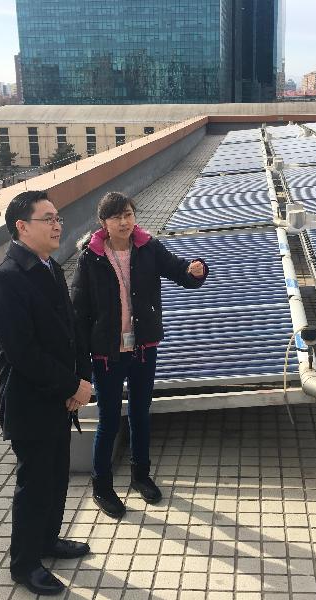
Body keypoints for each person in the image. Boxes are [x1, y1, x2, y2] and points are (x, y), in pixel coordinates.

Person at [71, 191, 208, 519]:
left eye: (129, 214)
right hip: (107, 354)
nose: (124, 221)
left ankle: (140, 475)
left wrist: (194, 272)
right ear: (103, 222)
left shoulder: (148, 247)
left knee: (141, 414)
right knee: (108, 420)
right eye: (117, 216)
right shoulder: (91, 257)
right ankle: (101, 486)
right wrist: (80, 366)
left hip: (143, 348)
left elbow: (178, 271)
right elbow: (78, 311)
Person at [0, 190, 93, 596]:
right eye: (48, 218)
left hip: (61, 397)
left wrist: (81, 382)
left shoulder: (48, 266)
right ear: (22, 226)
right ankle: (24, 564)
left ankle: (48, 540)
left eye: (58, 217)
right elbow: (23, 353)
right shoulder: (6, 279)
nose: (57, 224)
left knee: (56, 479)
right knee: (34, 485)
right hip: (29, 403)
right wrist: (72, 385)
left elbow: (71, 330)